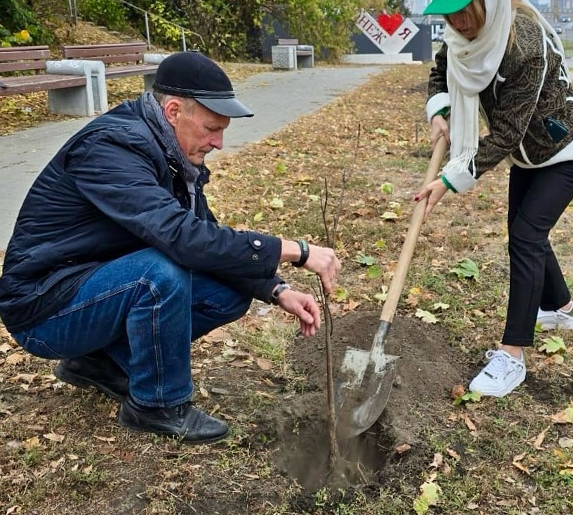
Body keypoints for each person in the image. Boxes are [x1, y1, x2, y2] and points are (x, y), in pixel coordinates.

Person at [0, 51, 341, 443]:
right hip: (44, 307)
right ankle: (156, 404)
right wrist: (296, 249)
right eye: (212, 128)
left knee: (230, 291)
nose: (219, 142)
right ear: (174, 110)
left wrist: (275, 288)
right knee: (159, 273)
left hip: (92, 285)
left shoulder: (171, 154)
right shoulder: (111, 148)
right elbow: (182, 238)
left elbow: (206, 236)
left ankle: (95, 361)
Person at [415, 0, 573, 398]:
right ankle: (559, 305)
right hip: (528, 154)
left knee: (526, 236)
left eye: (464, 11)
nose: (456, 23)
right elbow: (441, 73)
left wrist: (448, 180)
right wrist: (439, 111)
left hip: (567, 148)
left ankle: (513, 355)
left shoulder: (524, 45)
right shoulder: (459, 38)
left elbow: (505, 136)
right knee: (525, 230)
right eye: (448, 14)